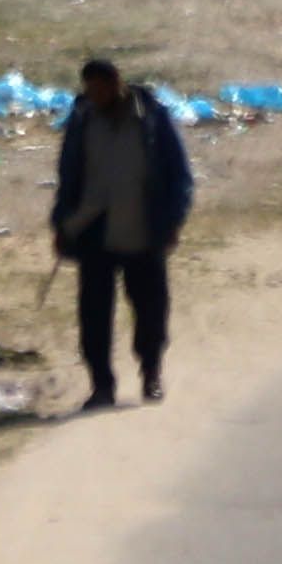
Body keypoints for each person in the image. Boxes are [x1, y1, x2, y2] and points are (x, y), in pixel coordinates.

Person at [44, 57, 190, 409]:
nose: (94, 95)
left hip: (142, 227)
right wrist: (62, 224)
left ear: (116, 83)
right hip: (93, 229)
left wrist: (172, 222)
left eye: (100, 88)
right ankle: (101, 386)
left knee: (150, 308)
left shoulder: (151, 119)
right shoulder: (82, 120)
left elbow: (178, 174)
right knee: (93, 314)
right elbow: (69, 175)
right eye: (88, 89)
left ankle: (151, 372)